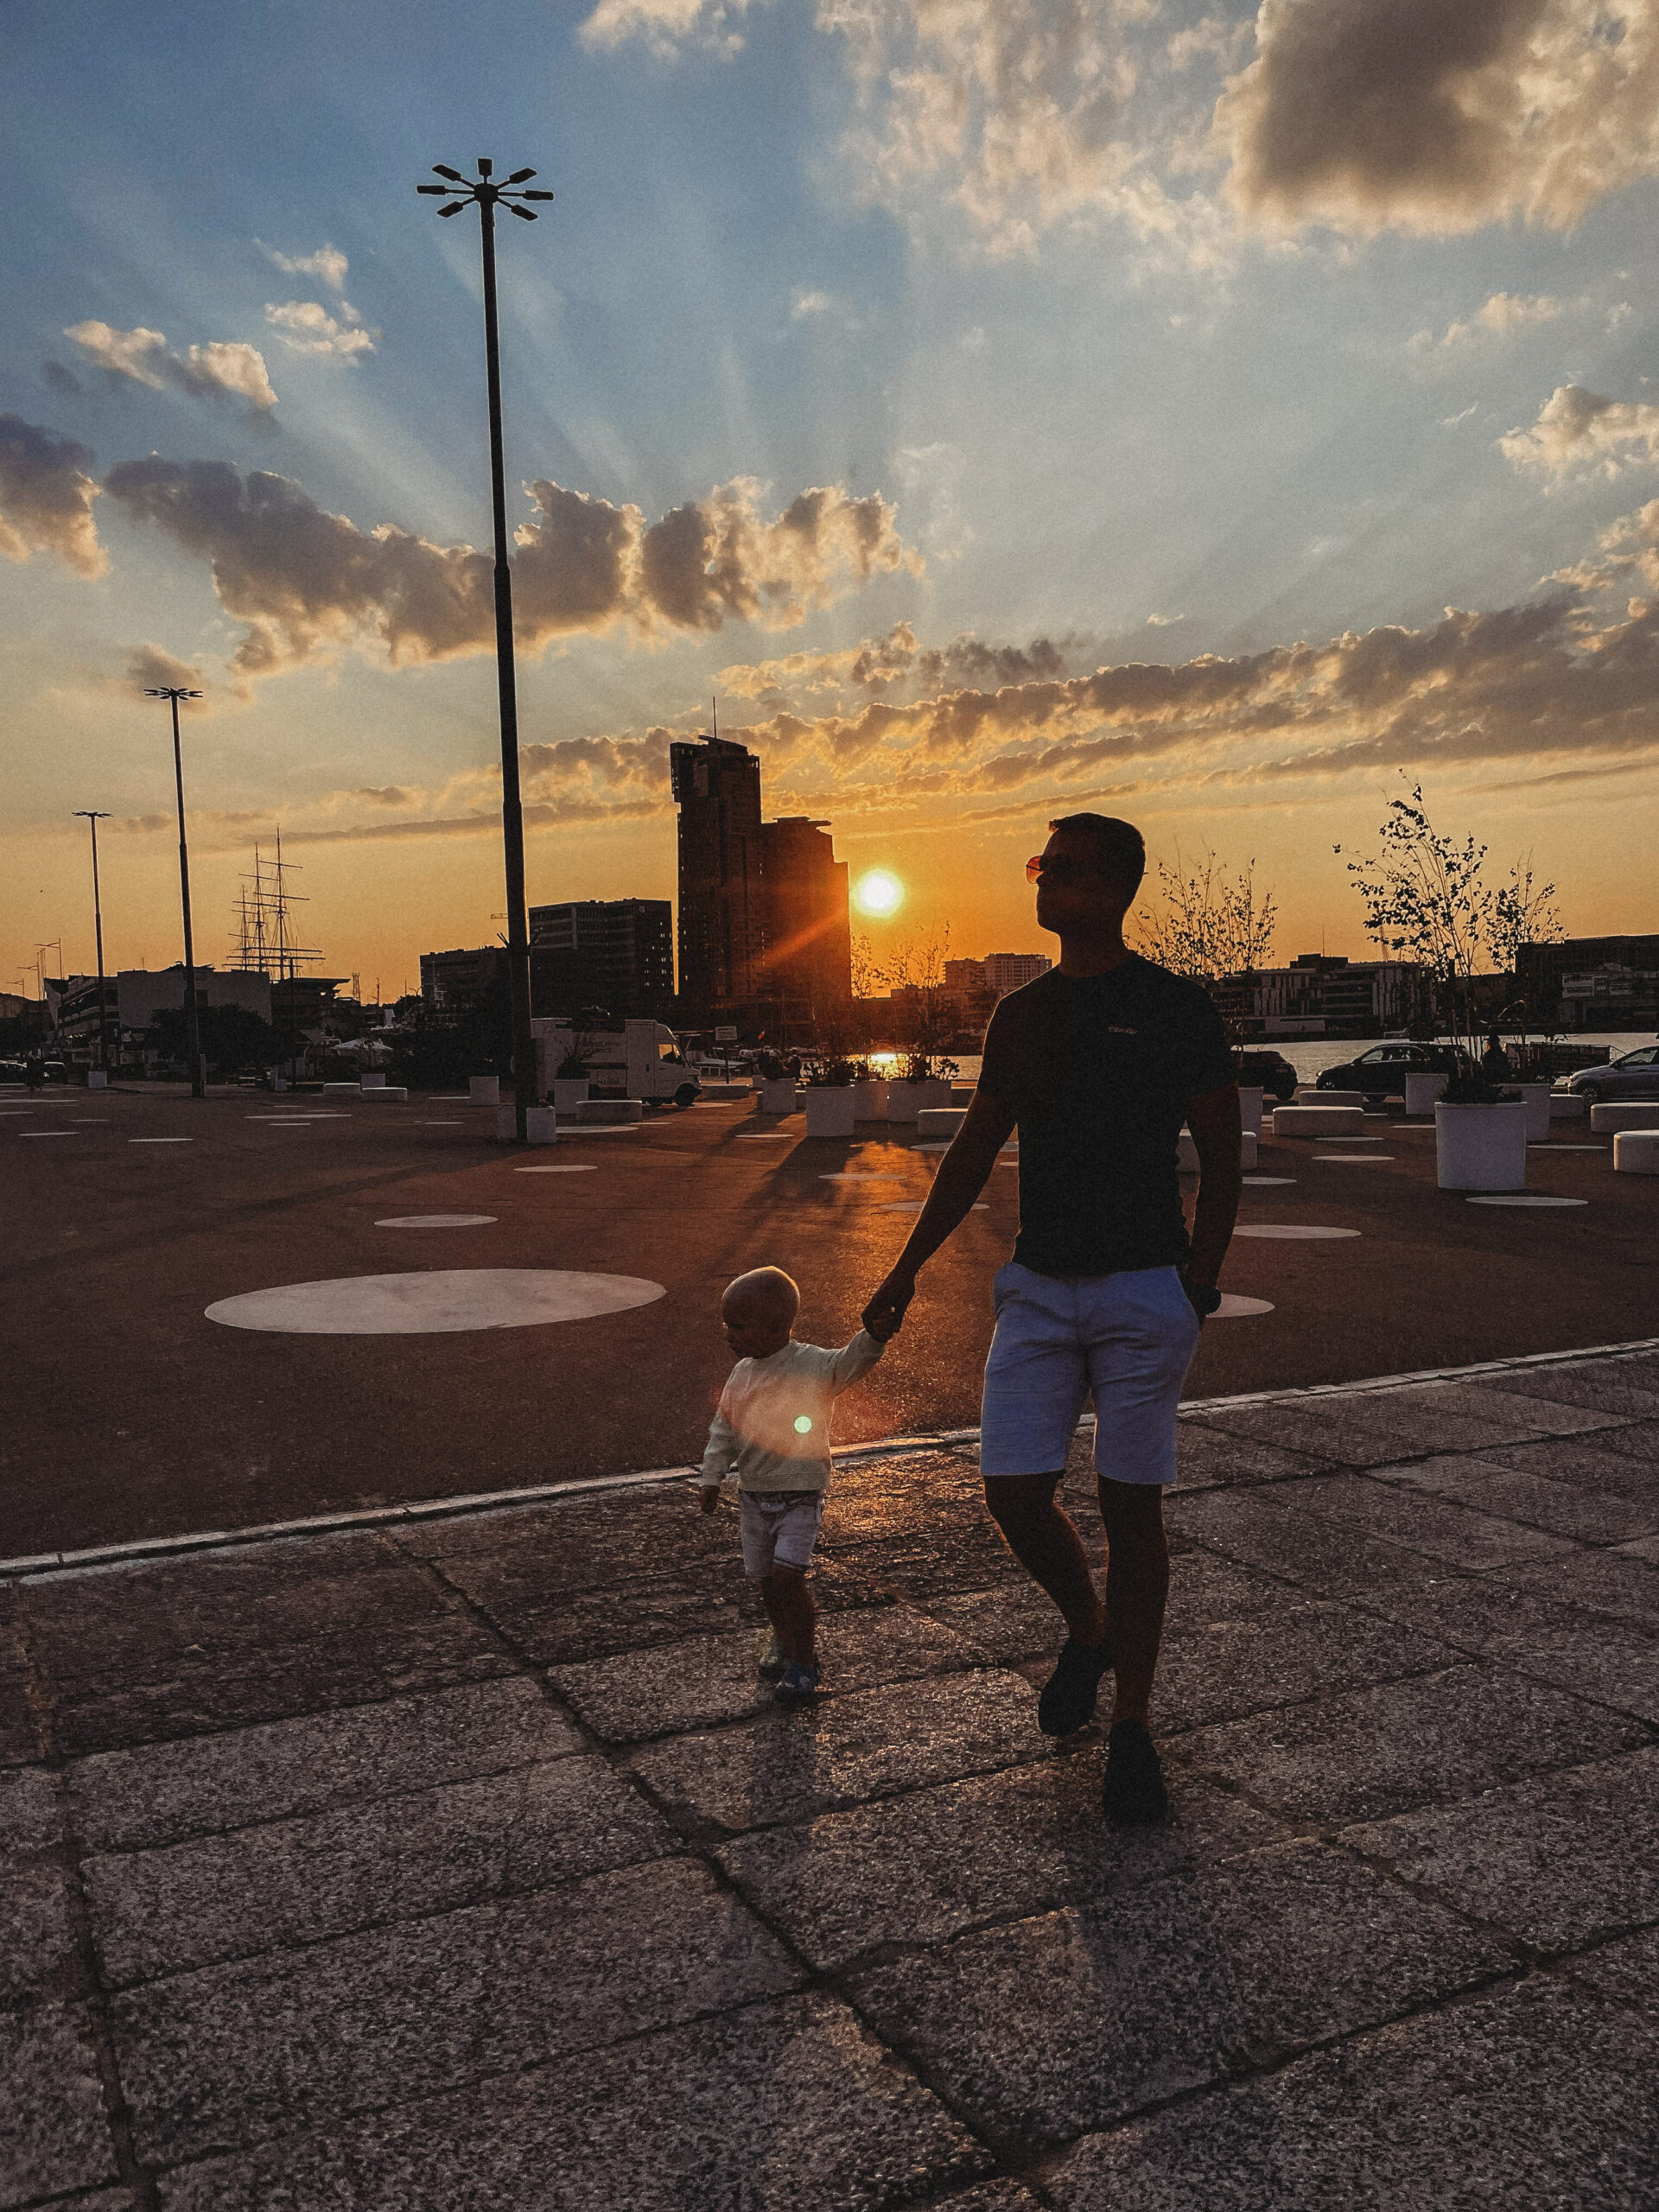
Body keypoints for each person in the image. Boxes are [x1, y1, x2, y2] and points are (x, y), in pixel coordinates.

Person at [863, 813, 1241, 1823]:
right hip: (1039, 1287)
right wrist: (905, 1268)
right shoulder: (1022, 1016)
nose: (1043, 879)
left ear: (1113, 888)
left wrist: (1197, 1285)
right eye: (1040, 865)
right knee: (1014, 1491)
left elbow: (1222, 1154)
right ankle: (1089, 1626)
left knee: (1131, 1508)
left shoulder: (1172, 1008)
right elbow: (974, 1148)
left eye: (1063, 867)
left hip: (1143, 1289)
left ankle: (1133, 1727)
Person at [697, 1266, 893, 1701]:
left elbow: (850, 1361)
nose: (729, 1335)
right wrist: (711, 1477)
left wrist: (874, 1337)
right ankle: (783, 1638)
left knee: (788, 1578)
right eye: (727, 1325)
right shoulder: (741, 1374)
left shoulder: (812, 1364)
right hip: (753, 1497)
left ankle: (805, 1662)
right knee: (767, 1581)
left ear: (774, 1326)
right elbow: (723, 1430)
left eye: (738, 1326)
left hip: (801, 1497)